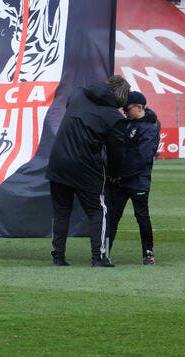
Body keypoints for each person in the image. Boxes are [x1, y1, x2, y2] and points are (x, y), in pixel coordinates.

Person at [47, 75, 130, 267]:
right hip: (86, 166)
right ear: (121, 97)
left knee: (61, 212)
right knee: (97, 210)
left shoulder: (78, 95)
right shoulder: (114, 117)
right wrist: (115, 173)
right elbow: (116, 152)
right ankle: (98, 257)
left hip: (58, 161)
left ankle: (58, 257)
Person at [107, 91, 159, 265]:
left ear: (139, 107)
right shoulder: (126, 124)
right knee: (112, 217)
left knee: (142, 217)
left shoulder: (150, 128)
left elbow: (141, 158)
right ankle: (104, 252)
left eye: (127, 109)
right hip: (120, 181)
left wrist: (119, 174)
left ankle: (148, 253)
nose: (125, 112)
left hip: (138, 181)